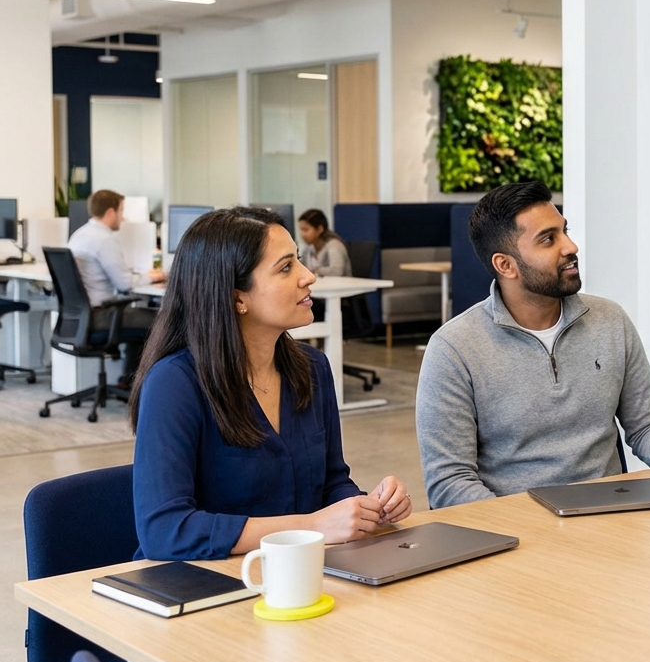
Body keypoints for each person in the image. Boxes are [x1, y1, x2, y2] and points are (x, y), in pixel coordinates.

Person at [128, 206, 412, 560]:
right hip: (203, 584)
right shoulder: (175, 383)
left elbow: (331, 484)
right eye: (286, 267)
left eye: (300, 261)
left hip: (296, 573)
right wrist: (312, 527)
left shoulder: (312, 368)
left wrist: (367, 508)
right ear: (236, 298)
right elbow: (166, 531)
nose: (308, 276)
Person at [417, 181, 650, 507]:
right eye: (548, 239)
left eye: (564, 231)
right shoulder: (454, 349)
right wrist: (529, 533)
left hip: (610, 519)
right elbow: (449, 482)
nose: (571, 247)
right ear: (505, 265)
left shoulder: (610, 320)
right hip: (517, 537)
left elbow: (648, 422)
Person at [66, 189, 165, 384]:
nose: (122, 217)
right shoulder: (105, 240)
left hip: (80, 317)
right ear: (110, 212)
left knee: (141, 318)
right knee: (163, 321)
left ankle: (128, 380)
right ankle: (144, 386)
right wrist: (155, 277)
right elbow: (125, 283)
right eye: (121, 211)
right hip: (101, 317)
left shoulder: (78, 235)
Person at [297, 208, 351, 277]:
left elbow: (337, 271)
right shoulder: (309, 248)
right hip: (318, 286)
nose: (302, 234)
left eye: (306, 230)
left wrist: (315, 270)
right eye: (301, 230)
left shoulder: (334, 245)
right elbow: (302, 268)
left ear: (320, 229)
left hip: (339, 286)